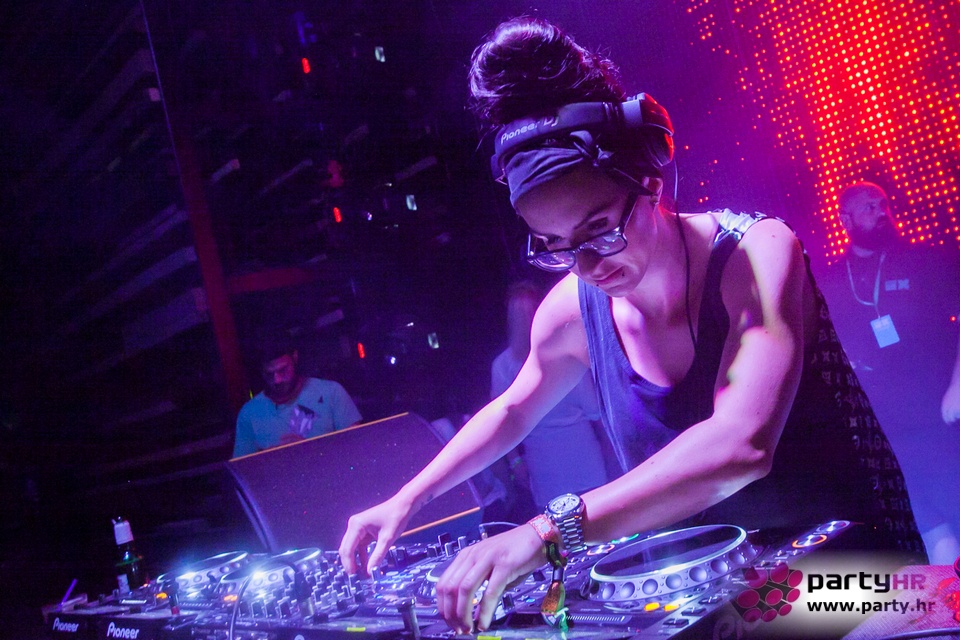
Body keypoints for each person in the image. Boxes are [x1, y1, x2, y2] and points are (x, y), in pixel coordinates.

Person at [339, 17, 926, 633]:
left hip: (856, 584)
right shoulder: (572, 307)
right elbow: (512, 409)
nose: (586, 266)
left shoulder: (757, 252)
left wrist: (547, 532)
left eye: (599, 230)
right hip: (727, 597)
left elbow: (741, 445)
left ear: (651, 182)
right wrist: (408, 499)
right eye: (555, 245)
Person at [816, 181, 960, 564]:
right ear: (845, 219)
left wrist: (958, 383)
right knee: (928, 529)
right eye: (869, 207)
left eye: (883, 204)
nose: (881, 212)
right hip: (886, 431)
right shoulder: (830, 280)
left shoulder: (922, 259)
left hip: (939, 416)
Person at [491, 280, 611, 508]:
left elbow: (502, 422)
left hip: (546, 465)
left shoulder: (502, 366)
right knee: (596, 520)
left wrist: (516, 462)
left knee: (555, 527)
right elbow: (595, 411)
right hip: (580, 458)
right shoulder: (566, 354)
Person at [232, 333, 362, 457]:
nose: (277, 380)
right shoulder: (249, 413)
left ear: (295, 357)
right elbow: (243, 468)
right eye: (269, 374)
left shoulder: (331, 392)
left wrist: (311, 451)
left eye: (283, 370)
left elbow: (358, 449)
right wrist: (267, 460)